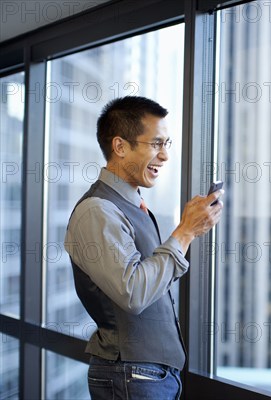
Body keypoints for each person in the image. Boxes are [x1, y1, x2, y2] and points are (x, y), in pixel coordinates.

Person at [64, 96, 223, 399]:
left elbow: (150, 284)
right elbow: (134, 292)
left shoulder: (130, 205)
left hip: (146, 376)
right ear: (120, 147)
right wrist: (185, 233)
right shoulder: (98, 210)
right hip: (131, 375)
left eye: (167, 144)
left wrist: (189, 231)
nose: (164, 156)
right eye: (155, 144)